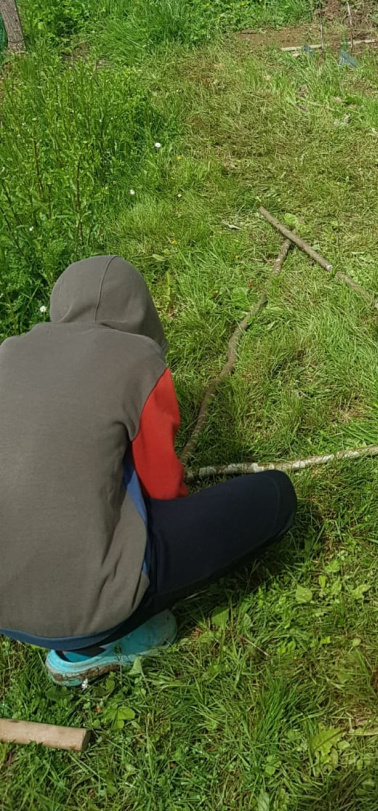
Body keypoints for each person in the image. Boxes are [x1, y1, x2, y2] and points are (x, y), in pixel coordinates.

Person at [0, 255, 296, 686]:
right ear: (142, 310)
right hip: (91, 606)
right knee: (276, 496)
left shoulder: (7, 352)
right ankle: (105, 641)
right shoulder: (138, 361)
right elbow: (163, 490)